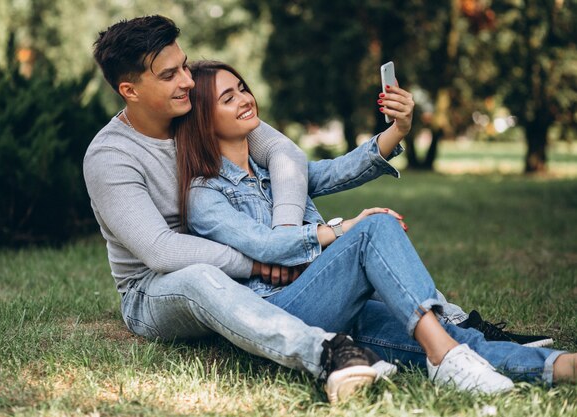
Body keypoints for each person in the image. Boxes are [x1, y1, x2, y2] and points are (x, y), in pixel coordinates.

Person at [84, 15, 553, 403]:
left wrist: (294, 239)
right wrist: (270, 262)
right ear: (130, 90)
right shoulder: (112, 157)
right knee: (200, 278)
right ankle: (328, 353)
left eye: (184, 67)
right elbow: (162, 251)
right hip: (158, 290)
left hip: (256, 266)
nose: (186, 81)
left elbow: (291, 159)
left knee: (371, 285)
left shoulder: (197, 108)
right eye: (169, 76)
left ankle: (467, 340)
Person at [173, 60, 577, 394]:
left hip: (334, 301)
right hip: (281, 309)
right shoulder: (204, 192)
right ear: (204, 120)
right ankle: (445, 357)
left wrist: (397, 130)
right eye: (228, 98)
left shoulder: (274, 170)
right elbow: (265, 244)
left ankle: (557, 366)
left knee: (434, 334)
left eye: (242, 88)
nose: (245, 98)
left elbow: (338, 170)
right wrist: (343, 228)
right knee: (375, 226)